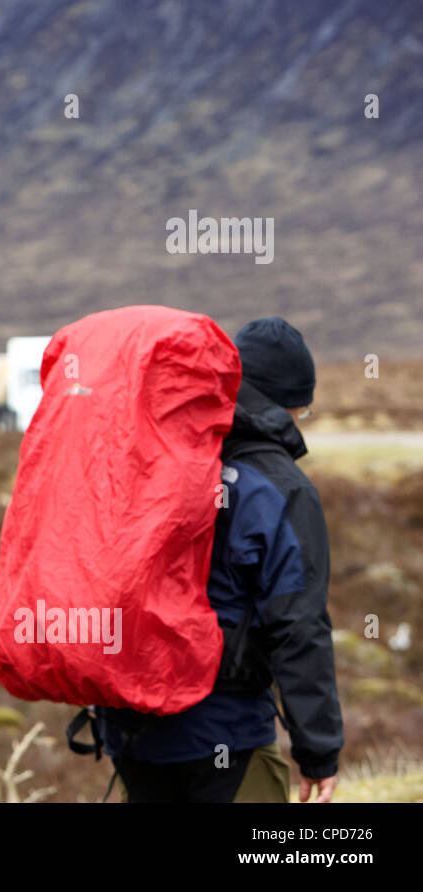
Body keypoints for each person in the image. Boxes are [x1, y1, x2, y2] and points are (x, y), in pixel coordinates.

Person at [94, 317, 343, 802]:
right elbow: (298, 627)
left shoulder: (153, 458)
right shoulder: (281, 488)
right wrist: (318, 752)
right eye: (303, 410)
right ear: (285, 405)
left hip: (130, 732)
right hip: (224, 734)